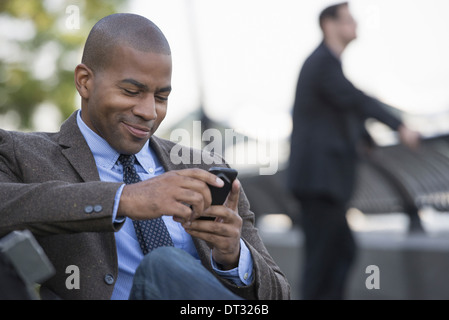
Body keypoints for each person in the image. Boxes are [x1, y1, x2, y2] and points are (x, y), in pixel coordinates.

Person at [0, 13, 290, 300]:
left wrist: (234, 258)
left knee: (168, 266)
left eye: (161, 98)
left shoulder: (204, 168)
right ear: (85, 81)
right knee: (162, 264)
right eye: (131, 91)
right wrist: (124, 199)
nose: (149, 112)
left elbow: (280, 294)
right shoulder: (23, 154)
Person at [287, 2, 420, 300]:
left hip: (322, 182)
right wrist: (399, 126)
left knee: (339, 252)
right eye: (349, 20)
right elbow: (355, 99)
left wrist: (365, 137)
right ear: (329, 25)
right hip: (319, 182)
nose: (356, 24)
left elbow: (341, 108)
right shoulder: (322, 63)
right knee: (324, 259)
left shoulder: (325, 66)